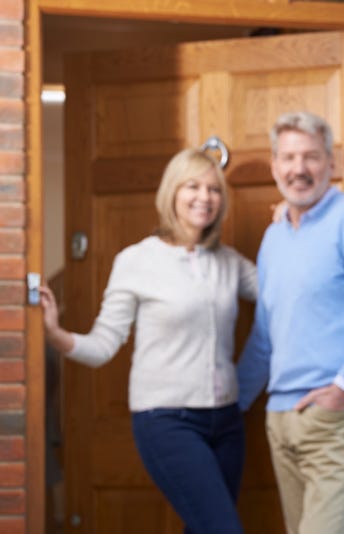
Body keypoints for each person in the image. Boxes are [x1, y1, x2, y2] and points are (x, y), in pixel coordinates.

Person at [40, 148, 257, 534]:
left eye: (213, 189)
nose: (204, 197)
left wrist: (291, 228)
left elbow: (284, 293)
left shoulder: (229, 261)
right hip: (167, 421)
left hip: (227, 421)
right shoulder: (136, 261)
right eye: (193, 186)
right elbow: (104, 344)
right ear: (172, 193)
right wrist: (56, 335)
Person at [236, 111, 344, 534]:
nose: (299, 169)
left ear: (331, 163)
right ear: (274, 166)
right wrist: (232, 404)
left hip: (337, 419)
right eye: (288, 158)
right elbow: (265, 333)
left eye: (310, 157)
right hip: (280, 418)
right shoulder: (275, 237)